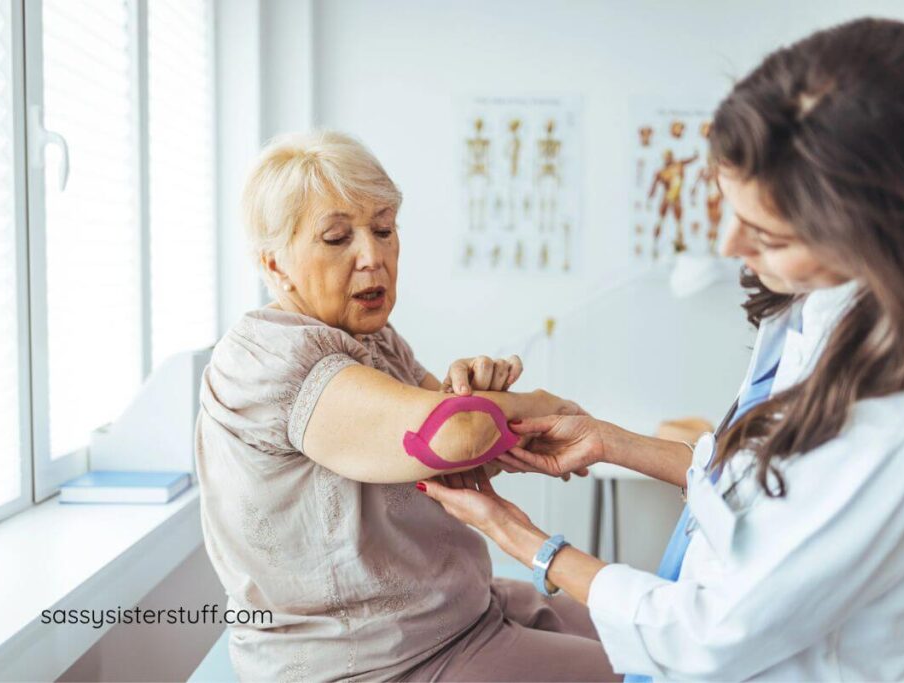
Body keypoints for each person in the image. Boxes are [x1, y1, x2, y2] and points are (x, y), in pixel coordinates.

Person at [421, 18, 904, 681]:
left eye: (767, 232)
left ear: (885, 228)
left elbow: (709, 630)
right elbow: (756, 490)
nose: (729, 246)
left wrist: (518, 535)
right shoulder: (819, 304)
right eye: (728, 208)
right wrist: (609, 440)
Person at [195, 130, 618, 681]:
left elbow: (456, 448)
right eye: (336, 238)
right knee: (656, 672)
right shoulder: (268, 358)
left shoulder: (373, 337)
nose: (372, 257)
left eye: (383, 229)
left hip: (457, 608)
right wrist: (534, 405)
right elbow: (456, 434)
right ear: (275, 265)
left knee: (648, 632)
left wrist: (477, 394)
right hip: (382, 660)